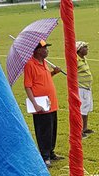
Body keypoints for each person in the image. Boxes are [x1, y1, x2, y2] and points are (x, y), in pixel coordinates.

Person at [24, 39, 63, 168]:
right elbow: (28, 86)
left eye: (46, 47)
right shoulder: (30, 65)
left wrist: (54, 73)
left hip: (51, 102)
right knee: (44, 130)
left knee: (52, 129)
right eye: (44, 48)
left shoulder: (45, 62)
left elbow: (43, 78)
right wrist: (34, 103)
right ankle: (44, 156)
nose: (47, 50)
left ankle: (51, 152)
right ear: (36, 50)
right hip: (40, 104)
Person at [76, 41, 94, 139]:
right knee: (81, 109)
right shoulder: (75, 60)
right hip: (80, 88)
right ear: (79, 50)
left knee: (86, 108)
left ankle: (85, 128)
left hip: (87, 87)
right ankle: (79, 131)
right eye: (85, 47)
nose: (87, 49)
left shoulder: (83, 59)